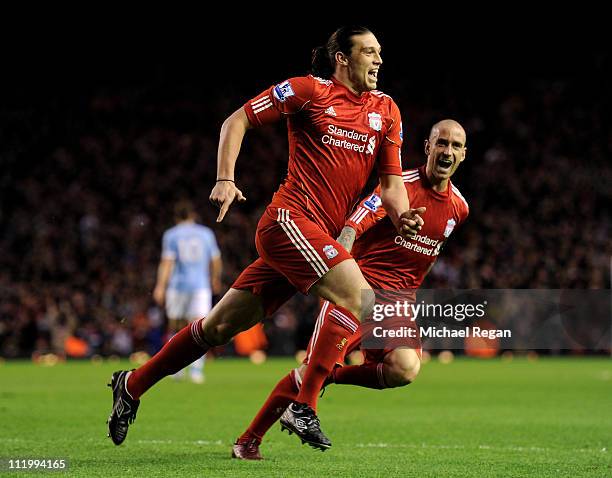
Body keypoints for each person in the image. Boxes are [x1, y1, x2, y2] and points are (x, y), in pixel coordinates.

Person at [107, 25, 425, 448]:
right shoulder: (308, 91)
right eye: (369, 52)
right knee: (360, 298)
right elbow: (235, 121)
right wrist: (225, 178)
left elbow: (391, 185)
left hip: (313, 240)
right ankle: (304, 403)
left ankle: (132, 385)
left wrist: (401, 216)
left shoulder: (386, 110)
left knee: (218, 328)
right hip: (288, 222)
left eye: (380, 52)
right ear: (342, 58)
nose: (379, 60)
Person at [232, 119, 469, 459]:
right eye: (441, 143)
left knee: (404, 368)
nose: (447, 151)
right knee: (312, 371)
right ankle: (249, 439)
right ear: (428, 147)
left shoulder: (459, 208)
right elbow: (359, 217)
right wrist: (340, 258)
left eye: (455, 146)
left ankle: (327, 377)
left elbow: (431, 253)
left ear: (463, 154)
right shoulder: (400, 185)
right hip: (359, 287)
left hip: (398, 300)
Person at [152, 200, 222, 384]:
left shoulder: (171, 235)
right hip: (200, 286)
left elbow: (167, 262)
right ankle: (197, 371)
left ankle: (175, 369)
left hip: (177, 286)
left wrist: (160, 286)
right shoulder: (206, 233)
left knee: (175, 326)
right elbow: (216, 260)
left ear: (176, 217)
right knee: (199, 328)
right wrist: (214, 278)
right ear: (192, 215)